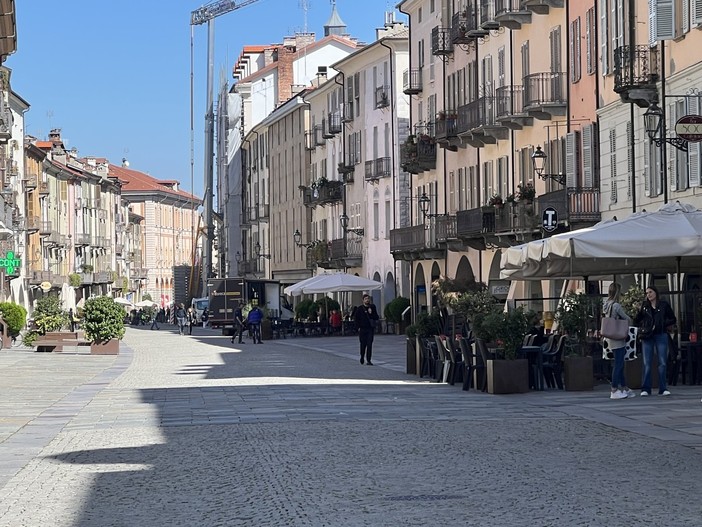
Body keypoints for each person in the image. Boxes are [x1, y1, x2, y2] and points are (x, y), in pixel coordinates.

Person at [634, 285, 676, 396]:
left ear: (656, 293)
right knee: (647, 362)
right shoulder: (645, 306)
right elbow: (637, 320)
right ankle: (645, 388)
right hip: (647, 336)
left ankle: (663, 388)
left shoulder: (663, 305)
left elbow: (673, 318)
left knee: (662, 362)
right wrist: (643, 325)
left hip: (660, 334)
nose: (648, 295)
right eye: (647, 293)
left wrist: (662, 324)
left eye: (650, 292)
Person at [603, 283, 634, 399]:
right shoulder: (616, 305)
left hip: (610, 337)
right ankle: (614, 389)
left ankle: (625, 388)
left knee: (618, 363)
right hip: (618, 337)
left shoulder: (606, 304)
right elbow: (627, 318)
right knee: (618, 364)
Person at [354, 294, 379, 365]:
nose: (367, 300)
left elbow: (376, 317)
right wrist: (358, 327)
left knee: (369, 344)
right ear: (363, 300)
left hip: (370, 329)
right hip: (362, 329)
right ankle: (362, 356)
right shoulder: (360, 309)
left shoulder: (372, 307)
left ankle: (368, 360)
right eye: (365, 299)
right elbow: (356, 319)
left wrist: (371, 313)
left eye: (368, 299)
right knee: (363, 344)